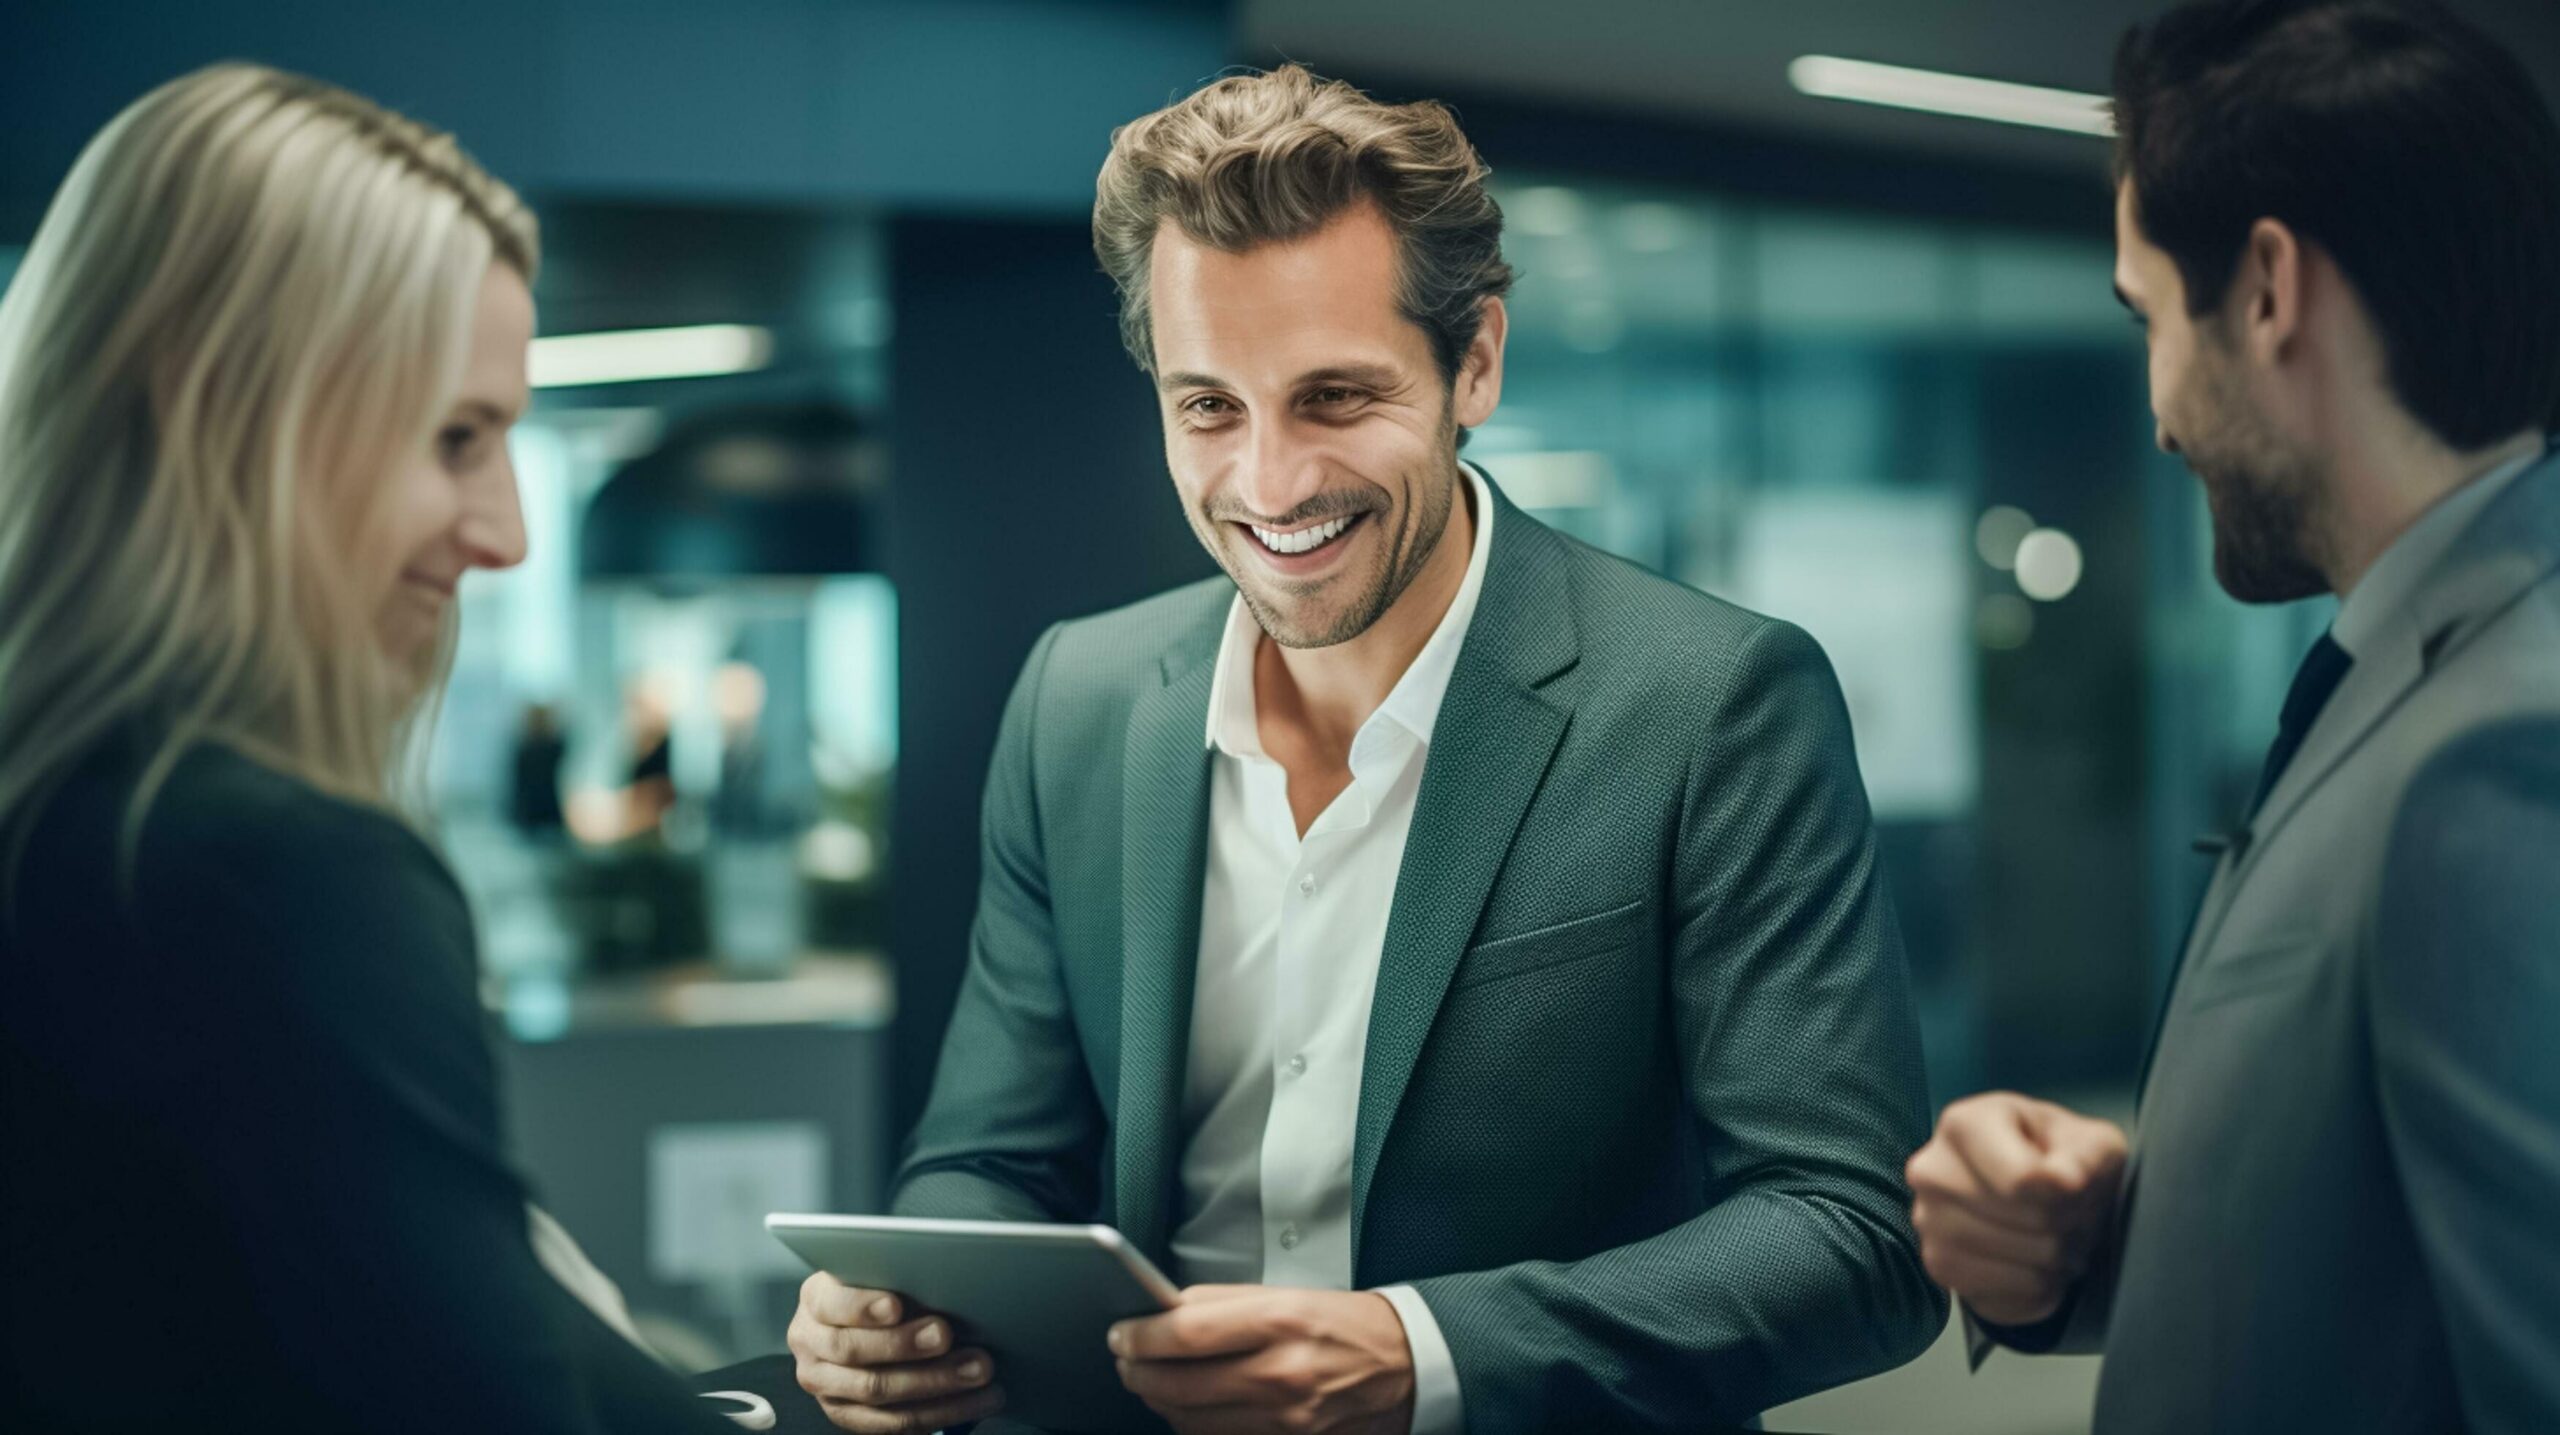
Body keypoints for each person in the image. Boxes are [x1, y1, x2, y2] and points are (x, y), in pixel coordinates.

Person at [789, 64, 1944, 1435]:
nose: (1269, 485)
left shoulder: (1715, 704)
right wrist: (910, 1297)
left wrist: (1422, 1357)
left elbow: (1855, 1232)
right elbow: (988, 1154)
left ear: (1479, 363)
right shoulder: (1079, 699)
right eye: (1208, 406)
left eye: (1335, 397)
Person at [0, 65, 733, 1433]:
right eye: (455, 437)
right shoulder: (281, 876)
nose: (506, 533)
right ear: (218, 408)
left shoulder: (62, 831)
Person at [1904, 2, 2560, 1431]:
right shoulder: (2418, 672)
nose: (2156, 412)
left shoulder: (2506, 749)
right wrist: (2089, 1241)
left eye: (2150, 318)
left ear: (2267, 290)